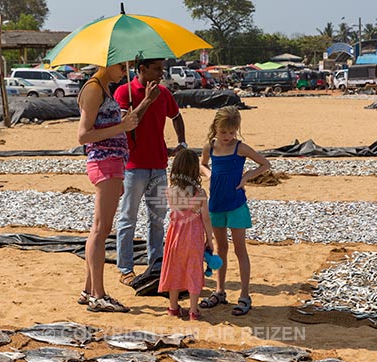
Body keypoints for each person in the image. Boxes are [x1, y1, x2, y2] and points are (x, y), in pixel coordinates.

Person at [113, 58, 186, 287]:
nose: (161, 74)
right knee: (128, 218)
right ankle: (125, 269)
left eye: (162, 69)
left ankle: (156, 264)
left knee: (157, 219)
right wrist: (146, 100)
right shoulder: (124, 92)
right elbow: (126, 123)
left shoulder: (164, 93)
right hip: (133, 166)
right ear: (142, 69)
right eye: (156, 69)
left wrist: (182, 143)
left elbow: (176, 116)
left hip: (159, 165)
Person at [76, 62, 139, 313]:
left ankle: (88, 290)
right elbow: (83, 135)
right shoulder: (93, 89)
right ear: (108, 62)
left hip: (111, 162)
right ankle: (98, 295)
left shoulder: (103, 87)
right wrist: (121, 127)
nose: (125, 72)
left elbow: (102, 126)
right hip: (105, 163)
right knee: (101, 230)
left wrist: (123, 123)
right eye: (122, 67)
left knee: (100, 228)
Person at [199, 106, 271, 316]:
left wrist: (247, 176)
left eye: (232, 132)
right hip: (216, 205)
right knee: (220, 248)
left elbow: (265, 164)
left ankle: (245, 294)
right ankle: (220, 291)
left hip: (237, 205)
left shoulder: (240, 148)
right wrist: (209, 174)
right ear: (216, 128)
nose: (228, 136)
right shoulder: (210, 147)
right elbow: (201, 165)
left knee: (240, 250)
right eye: (224, 132)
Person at [158, 149, 214, 321]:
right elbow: (206, 220)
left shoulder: (170, 191)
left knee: (174, 269)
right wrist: (209, 241)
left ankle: (173, 307)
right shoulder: (200, 194)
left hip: (175, 235)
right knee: (193, 271)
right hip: (193, 236)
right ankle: (193, 310)